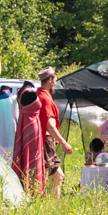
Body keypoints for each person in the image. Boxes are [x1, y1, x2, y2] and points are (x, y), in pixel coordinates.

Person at [34, 67, 71, 195]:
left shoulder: (41, 95)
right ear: (50, 79)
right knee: (46, 176)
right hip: (46, 141)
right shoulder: (44, 98)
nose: (56, 82)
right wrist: (63, 142)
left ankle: (52, 202)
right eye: (55, 79)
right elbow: (49, 125)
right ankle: (42, 201)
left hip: (47, 141)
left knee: (57, 176)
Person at [10, 84, 46, 190]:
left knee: (27, 155)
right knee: (32, 157)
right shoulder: (29, 93)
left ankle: (27, 186)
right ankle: (32, 188)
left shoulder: (22, 92)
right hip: (31, 126)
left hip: (25, 124)